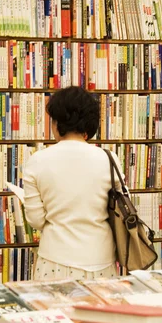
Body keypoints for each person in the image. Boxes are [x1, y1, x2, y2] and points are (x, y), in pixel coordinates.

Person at [21, 86, 118, 280]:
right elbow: (119, 210)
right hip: (100, 259)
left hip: (55, 258)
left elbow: (36, 220)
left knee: (54, 310)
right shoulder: (109, 159)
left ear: (56, 123)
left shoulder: (38, 160)